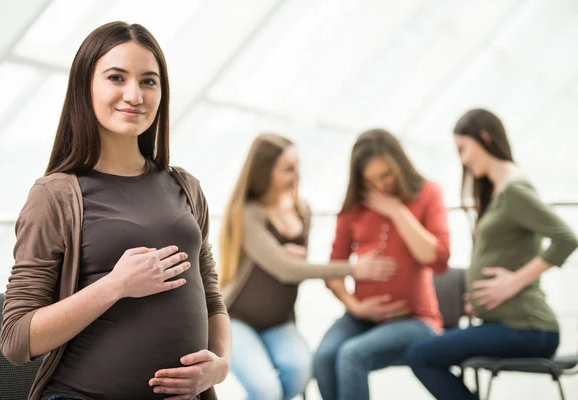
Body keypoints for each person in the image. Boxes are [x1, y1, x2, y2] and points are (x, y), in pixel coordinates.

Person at [0, 22, 230, 400]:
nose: (134, 94)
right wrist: (116, 284)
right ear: (85, 86)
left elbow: (211, 296)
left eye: (149, 81)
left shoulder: (186, 187)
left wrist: (220, 365)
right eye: (116, 77)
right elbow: (16, 339)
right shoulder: (55, 195)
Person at [406, 108, 578, 399]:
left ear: (484, 137)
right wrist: (482, 302)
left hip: (530, 328)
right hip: (508, 325)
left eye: (464, 149)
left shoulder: (514, 190)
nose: (462, 160)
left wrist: (513, 282)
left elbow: (566, 238)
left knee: (421, 354)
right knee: (425, 351)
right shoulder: (499, 191)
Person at [218, 133, 391, 400]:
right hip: (237, 321)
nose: (297, 174)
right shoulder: (248, 213)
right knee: (266, 390)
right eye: (288, 169)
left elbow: (293, 272)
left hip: (279, 322)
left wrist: (286, 258)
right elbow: (286, 270)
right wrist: (354, 268)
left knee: (300, 371)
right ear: (266, 172)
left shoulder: (302, 210)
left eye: (297, 165)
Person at [313, 129, 451, 400]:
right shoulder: (355, 207)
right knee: (324, 357)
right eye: (371, 180)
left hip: (416, 320)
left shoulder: (428, 193)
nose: (380, 186)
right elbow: (333, 272)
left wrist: (397, 211)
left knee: (352, 354)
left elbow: (438, 259)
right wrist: (356, 306)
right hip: (361, 317)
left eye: (385, 175)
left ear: (400, 165)